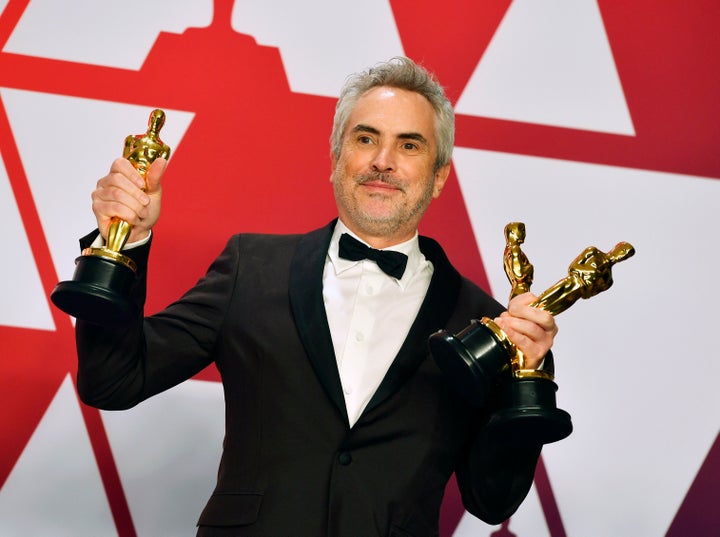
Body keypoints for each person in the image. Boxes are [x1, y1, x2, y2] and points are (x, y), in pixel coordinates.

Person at [76, 57, 558, 536]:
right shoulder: (252, 268)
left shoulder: (485, 324)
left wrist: (527, 379)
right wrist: (126, 239)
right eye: (366, 138)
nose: (382, 161)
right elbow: (113, 380)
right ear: (335, 160)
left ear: (438, 176)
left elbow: (492, 500)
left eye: (408, 145)